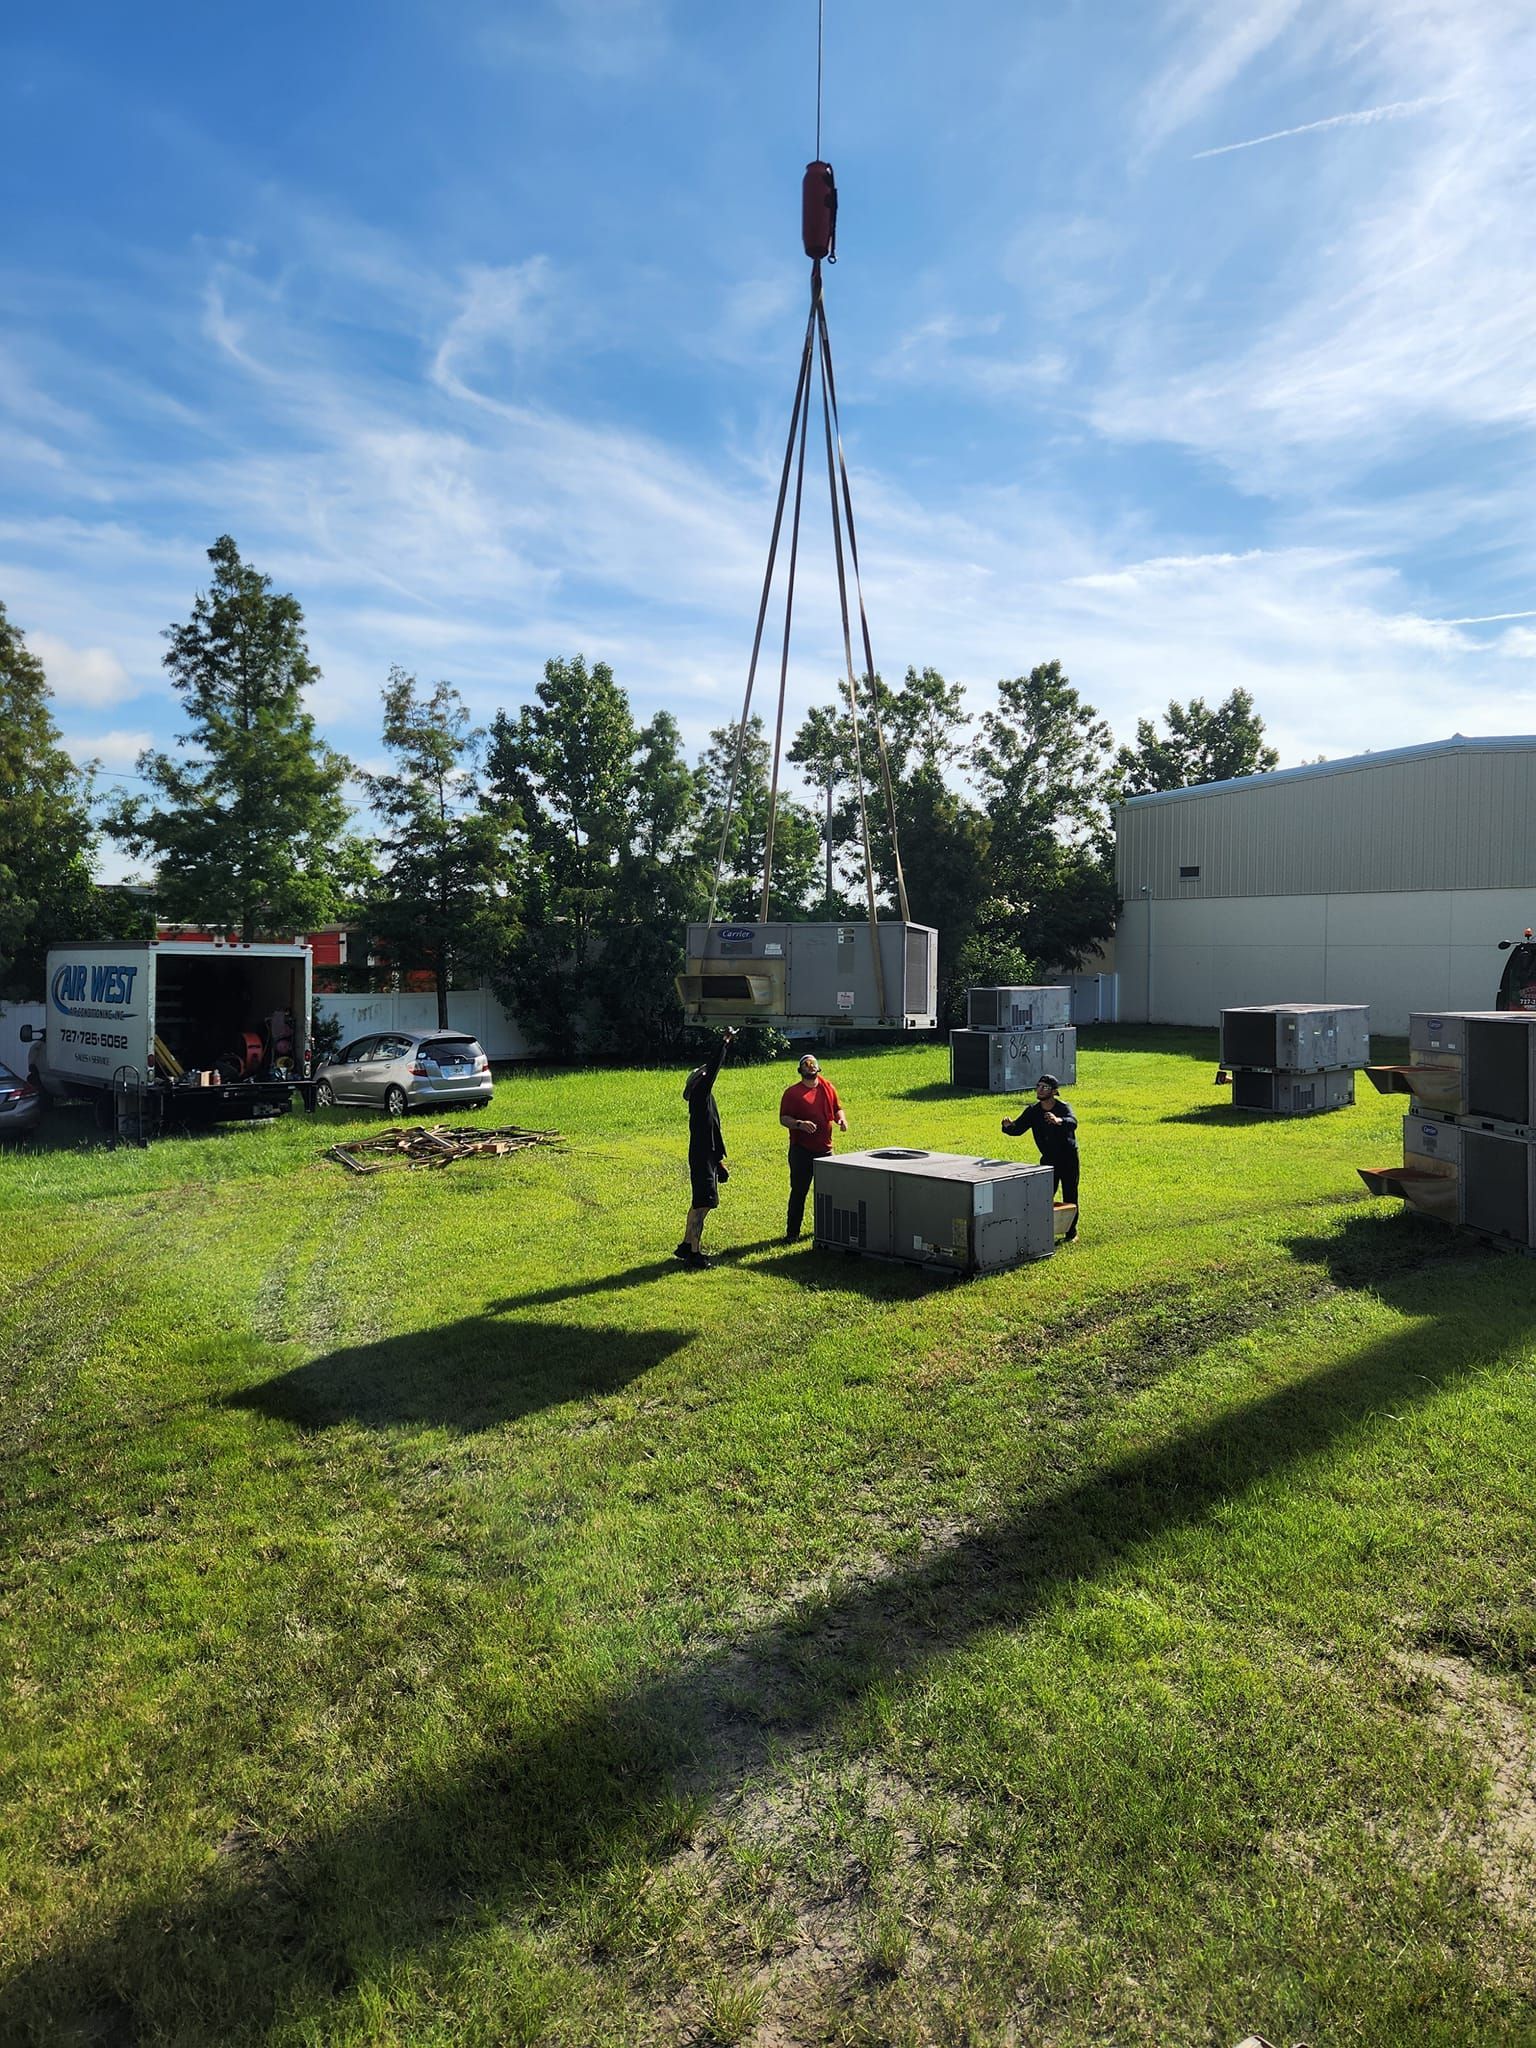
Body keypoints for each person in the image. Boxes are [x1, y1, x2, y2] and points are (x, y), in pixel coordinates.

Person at [676, 1026, 737, 1267]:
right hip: (701, 1160)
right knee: (703, 1206)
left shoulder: (706, 1102)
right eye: (702, 1076)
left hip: (706, 1157)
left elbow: (712, 1134)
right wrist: (724, 1042)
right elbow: (712, 1069)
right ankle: (694, 1253)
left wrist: (718, 1162)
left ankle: (684, 1246)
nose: (706, 1075)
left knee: (698, 1204)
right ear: (697, 1085)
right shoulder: (700, 1096)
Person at [779, 1050, 848, 1242]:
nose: (811, 1068)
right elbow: (784, 1119)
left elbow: (837, 1109)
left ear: (818, 1068)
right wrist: (800, 1124)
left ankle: (828, 1232)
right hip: (801, 1150)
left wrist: (841, 1120)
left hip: (826, 1150)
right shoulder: (792, 1093)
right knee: (799, 1192)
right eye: (807, 1066)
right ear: (800, 1071)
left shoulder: (827, 1087)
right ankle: (792, 1234)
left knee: (830, 1193)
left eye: (813, 1065)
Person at [1001, 1073, 1080, 1242]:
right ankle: (1041, 1230)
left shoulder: (1062, 1107)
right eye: (1038, 1086)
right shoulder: (1033, 1111)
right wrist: (1008, 1127)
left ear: (1054, 1091)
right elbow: (1018, 1128)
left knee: (1070, 1194)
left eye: (1044, 1087)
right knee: (1043, 1196)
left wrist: (1059, 1121)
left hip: (1068, 1158)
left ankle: (1071, 1232)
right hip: (1048, 1159)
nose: (1040, 1090)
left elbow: (1073, 1122)